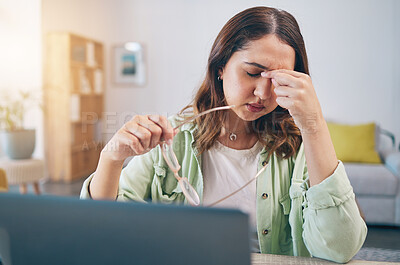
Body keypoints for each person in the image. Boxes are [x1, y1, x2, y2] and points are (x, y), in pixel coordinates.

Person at [81, 6, 367, 263]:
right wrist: (111, 157)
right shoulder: (173, 138)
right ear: (221, 68)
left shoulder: (300, 147)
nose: (263, 94)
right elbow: (103, 229)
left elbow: (339, 249)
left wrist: (314, 124)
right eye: (253, 73)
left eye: (279, 80)